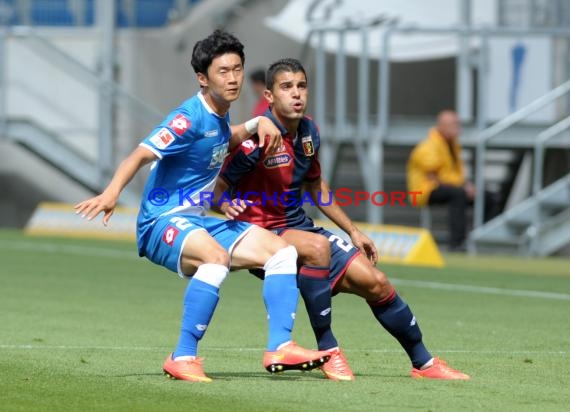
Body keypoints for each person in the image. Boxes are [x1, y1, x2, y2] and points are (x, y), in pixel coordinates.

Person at [74, 31, 330, 383]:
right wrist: (111, 193)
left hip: (195, 220)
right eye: (223, 71)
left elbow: (224, 139)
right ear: (202, 78)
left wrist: (258, 122)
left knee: (281, 251)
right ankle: (183, 356)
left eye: (237, 69)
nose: (233, 78)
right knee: (215, 257)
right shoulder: (188, 117)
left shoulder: (221, 114)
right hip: (161, 222)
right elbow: (140, 153)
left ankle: (280, 346)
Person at [215, 58, 470, 381]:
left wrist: (352, 230)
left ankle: (424, 363)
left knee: (376, 283)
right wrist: (226, 204)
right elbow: (216, 189)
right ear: (269, 95)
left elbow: (316, 186)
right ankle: (329, 351)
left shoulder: (308, 131)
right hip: (263, 235)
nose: (296, 94)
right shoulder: (256, 140)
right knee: (317, 247)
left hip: (299, 228)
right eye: (286, 87)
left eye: (302, 86)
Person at [407, 110, 496, 251]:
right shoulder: (428, 146)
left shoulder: (453, 146)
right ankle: (457, 243)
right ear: (441, 126)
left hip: (449, 187)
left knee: (488, 197)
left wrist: (467, 186)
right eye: (453, 125)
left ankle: (482, 238)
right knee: (458, 194)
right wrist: (463, 187)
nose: (457, 128)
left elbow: (453, 175)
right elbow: (433, 177)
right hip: (423, 191)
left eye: (458, 124)